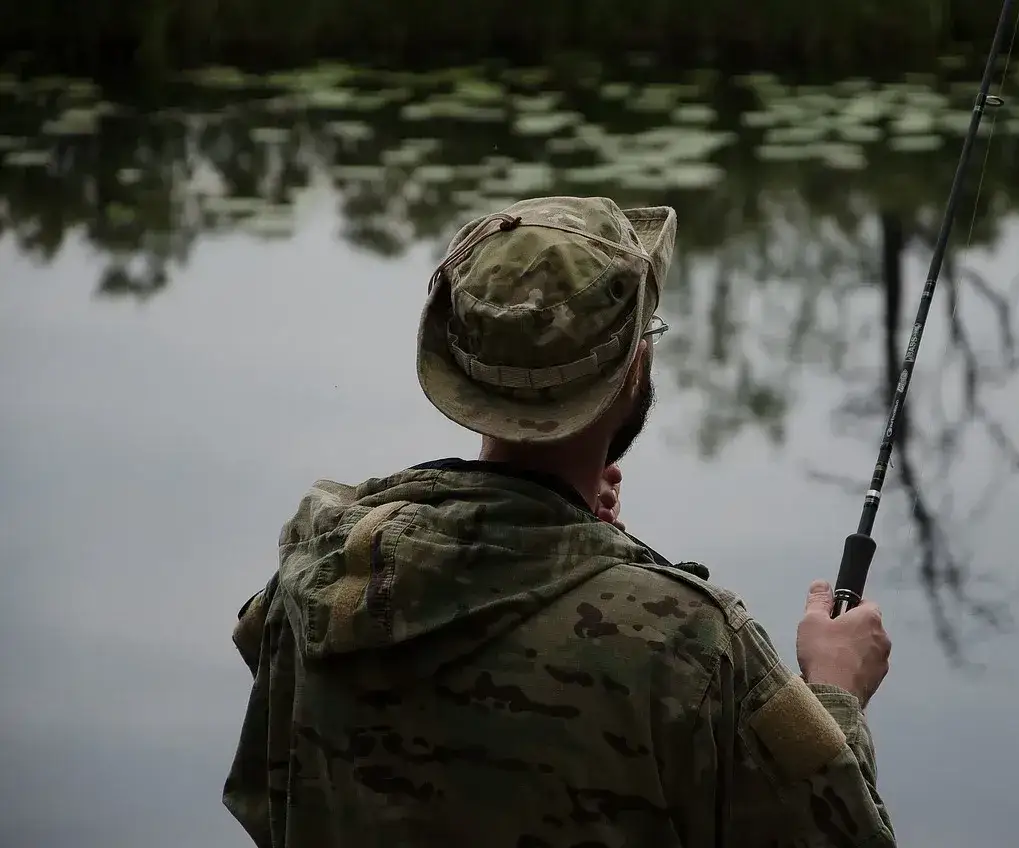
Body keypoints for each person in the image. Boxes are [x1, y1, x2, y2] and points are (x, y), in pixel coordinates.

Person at [223, 196, 897, 847]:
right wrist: (836, 692)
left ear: (461, 372)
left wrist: (574, 539)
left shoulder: (315, 585)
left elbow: (264, 805)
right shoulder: (692, 647)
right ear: (634, 369)